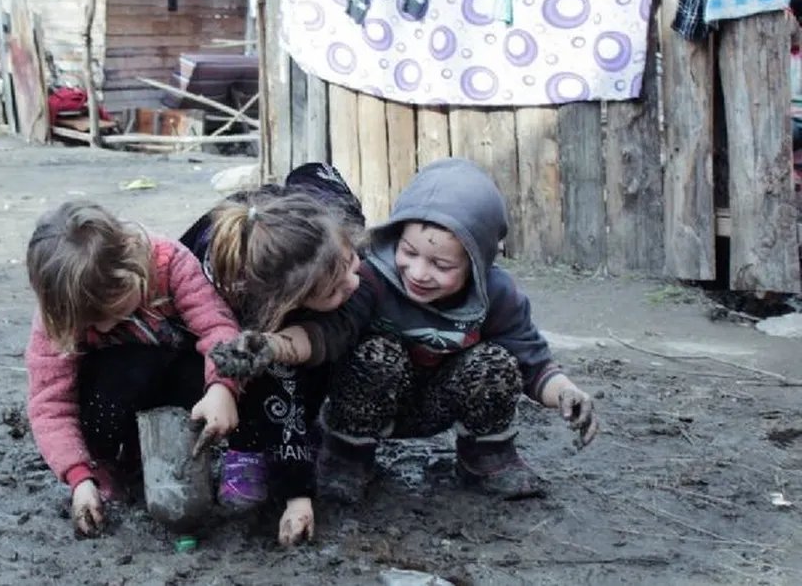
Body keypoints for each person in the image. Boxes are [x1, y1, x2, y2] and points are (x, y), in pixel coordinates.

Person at [214, 158, 599, 501]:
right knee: (374, 352)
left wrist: (565, 392)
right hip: (369, 402)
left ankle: (487, 456)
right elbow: (324, 334)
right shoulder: (372, 280)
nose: (418, 273)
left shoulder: (497, 295)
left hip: (440, 402)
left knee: (495, 362)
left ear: (477, 262)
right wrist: (270, 346)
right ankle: (348, 457)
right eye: (409, 253)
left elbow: (531, 359)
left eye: (441, 265)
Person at [24, 200, 242, 536]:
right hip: (111, 393)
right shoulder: (59, 317)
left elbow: (218, 331)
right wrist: (79, 476)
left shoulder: (169, 262)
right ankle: (108, 467)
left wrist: (222, 388)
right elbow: (50, 404)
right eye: (94, 320)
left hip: (176, 381)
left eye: (115, 306)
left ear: (130, 266)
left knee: (187, 371)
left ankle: (163, 456)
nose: (109, 324)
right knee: (123, 369)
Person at [181, 163, 364, 545]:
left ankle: (286, 461)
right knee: (249, 362)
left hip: (281, 327)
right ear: (285, 303)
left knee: (294, 369)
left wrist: (299, 495)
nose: (354, 283)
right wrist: (224, 388)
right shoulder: (208, 268)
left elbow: (298, 381)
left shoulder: (310, 234)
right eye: (334, 289)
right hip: (198, 332)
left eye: (351, 263)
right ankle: (243, 448)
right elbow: (212, 339)